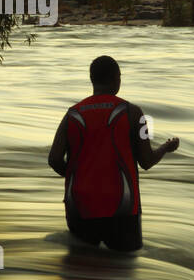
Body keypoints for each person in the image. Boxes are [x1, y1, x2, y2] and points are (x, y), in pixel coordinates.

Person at [47, 56, 179, 252]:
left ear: (92, 79)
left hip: (80, 207)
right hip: (122, 208)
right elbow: (147, 161)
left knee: (81, 272)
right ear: (117, 78)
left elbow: (54, 159)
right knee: (122, 274)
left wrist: (79, 177)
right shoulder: (134, 113)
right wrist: (165, 148)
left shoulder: (72, 114)